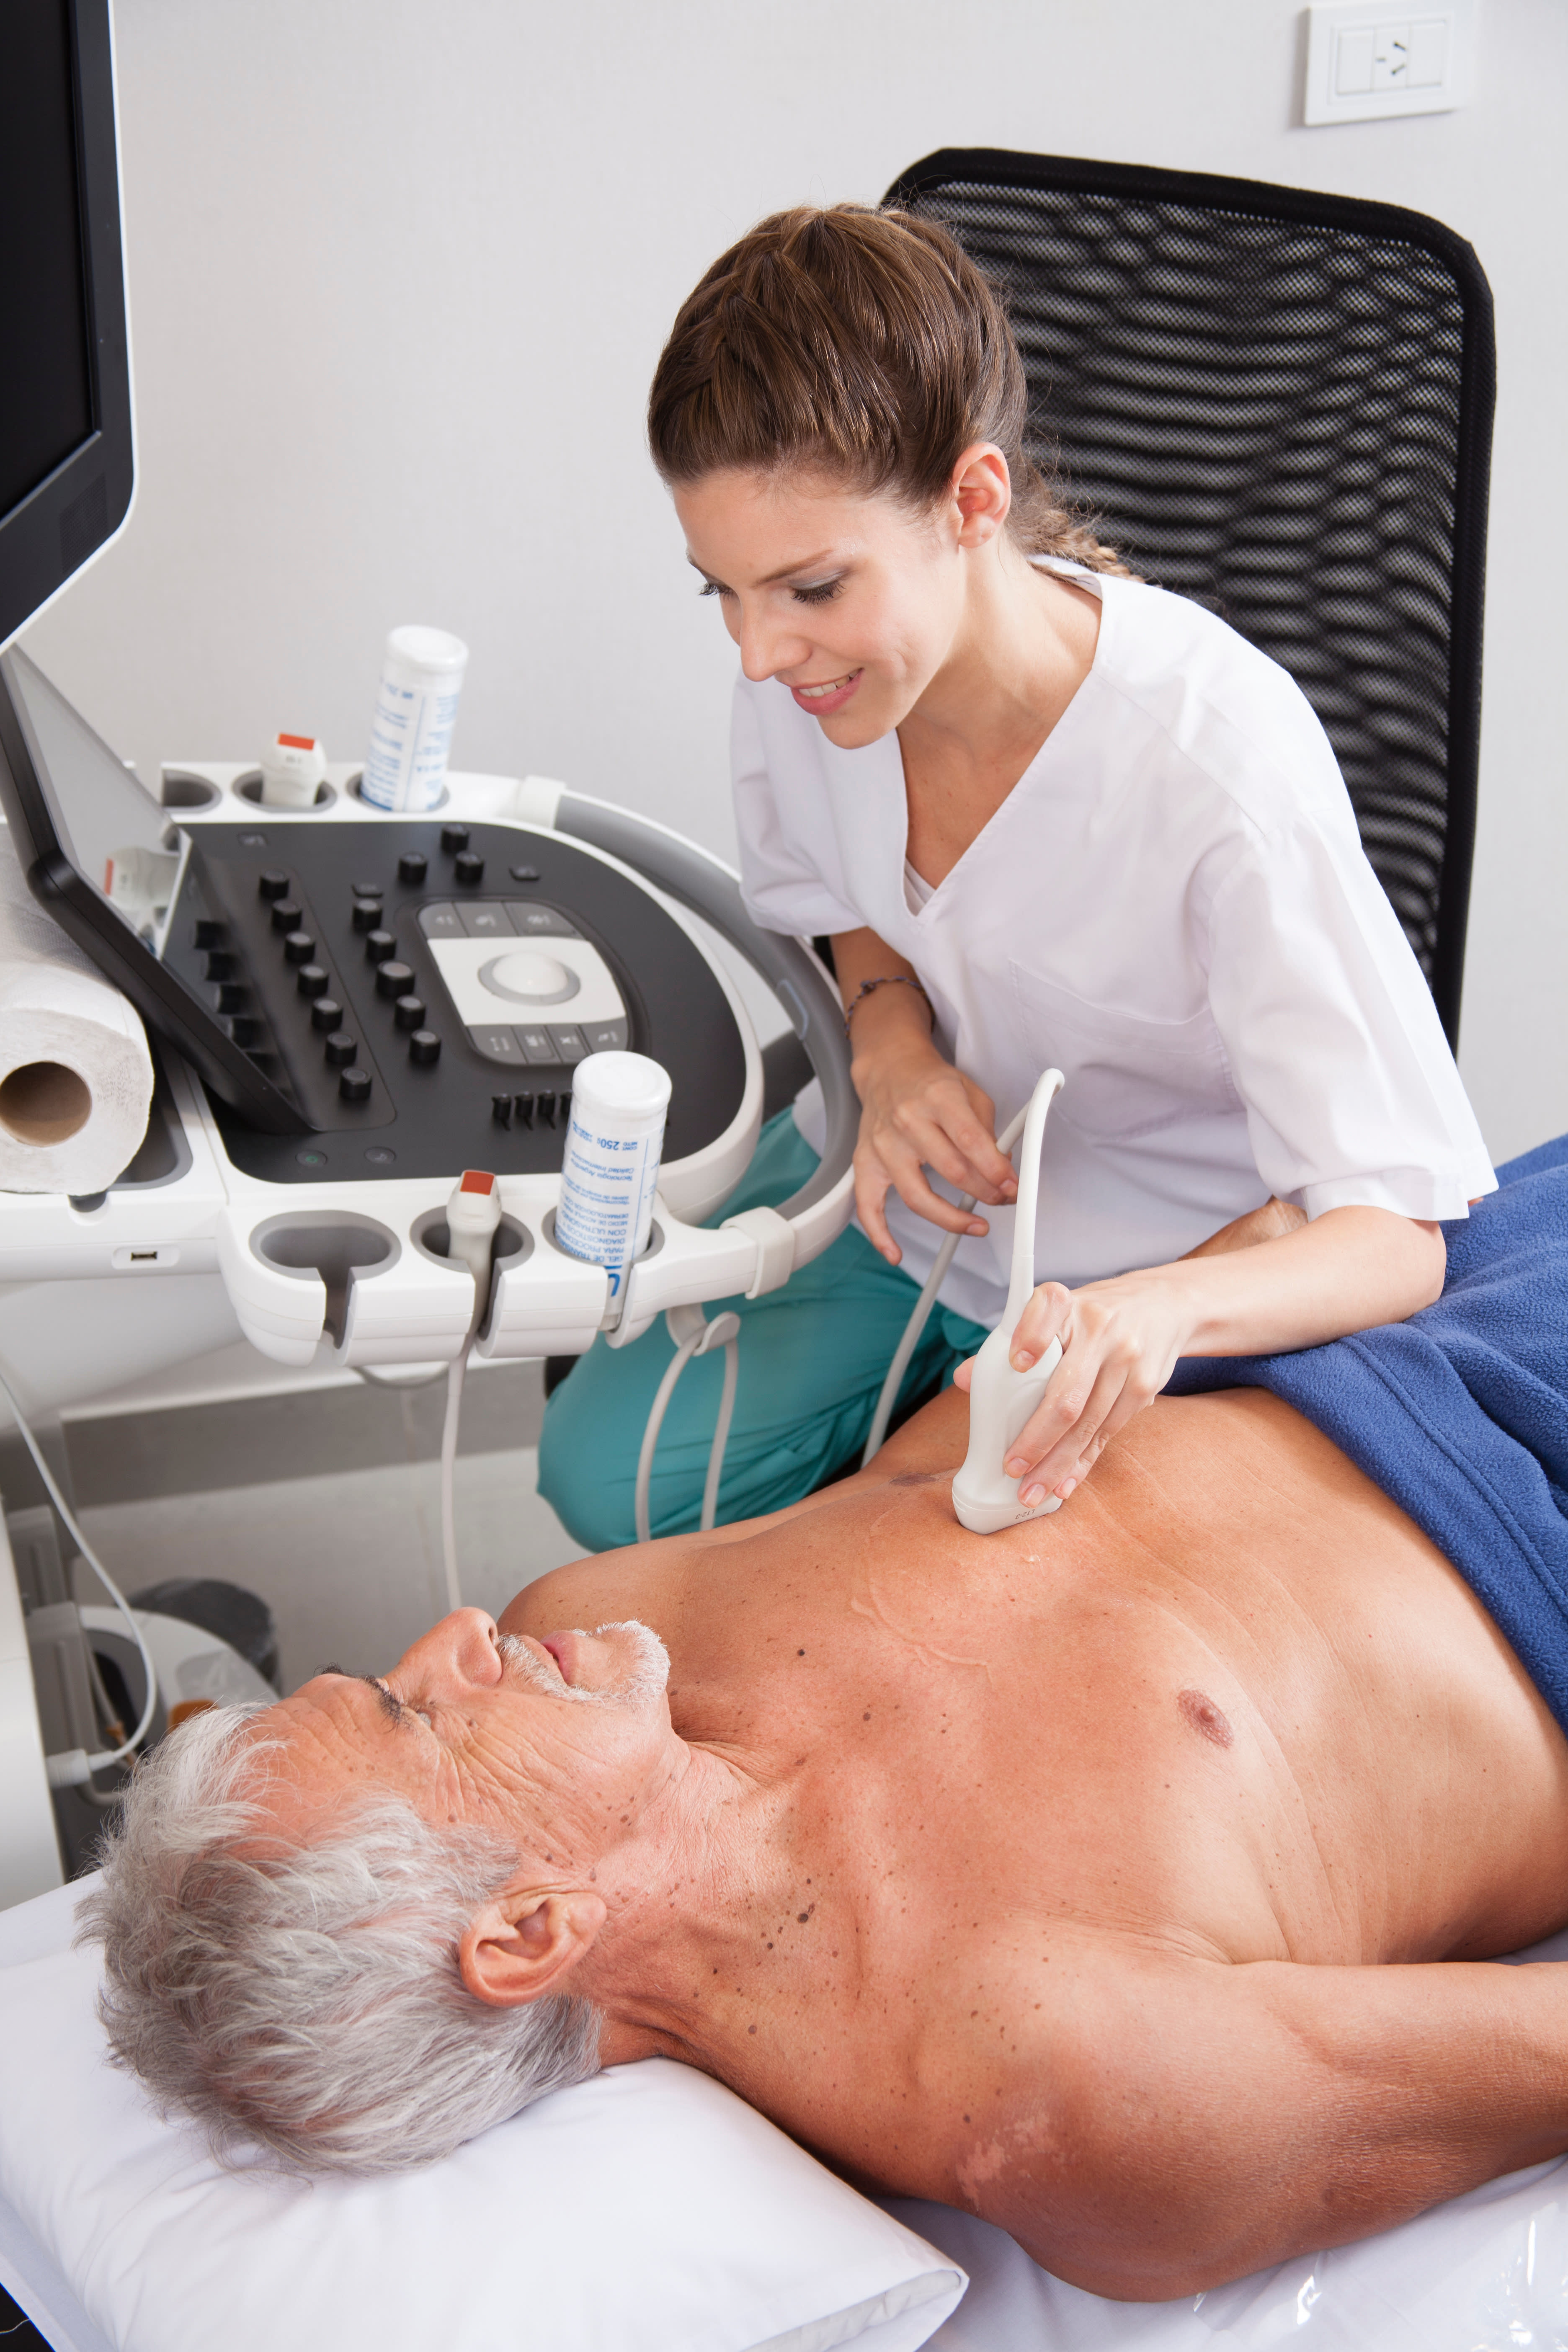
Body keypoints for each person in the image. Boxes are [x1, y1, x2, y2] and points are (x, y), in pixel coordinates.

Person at [87, 1144, 1568, 2298]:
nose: (459, 1635)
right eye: (419, 1717)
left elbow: (944, 1467)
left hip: (1411, 1291)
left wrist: (1259, 1260)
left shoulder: (604, 1616)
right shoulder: (1056, 2091)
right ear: (530, 1931)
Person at [539, 203, 1492, 1553]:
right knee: (612, 1481)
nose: (758, 652)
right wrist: (890, 1047)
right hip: (916, 1198)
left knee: (931, 1584)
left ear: (973, 501)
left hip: (1155, 1275)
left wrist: (1156, 1310)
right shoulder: (819, 679)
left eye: (810, 588)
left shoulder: (1215, 769)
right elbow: (850, 911)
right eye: (724, 593)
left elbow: (1397, 1235)